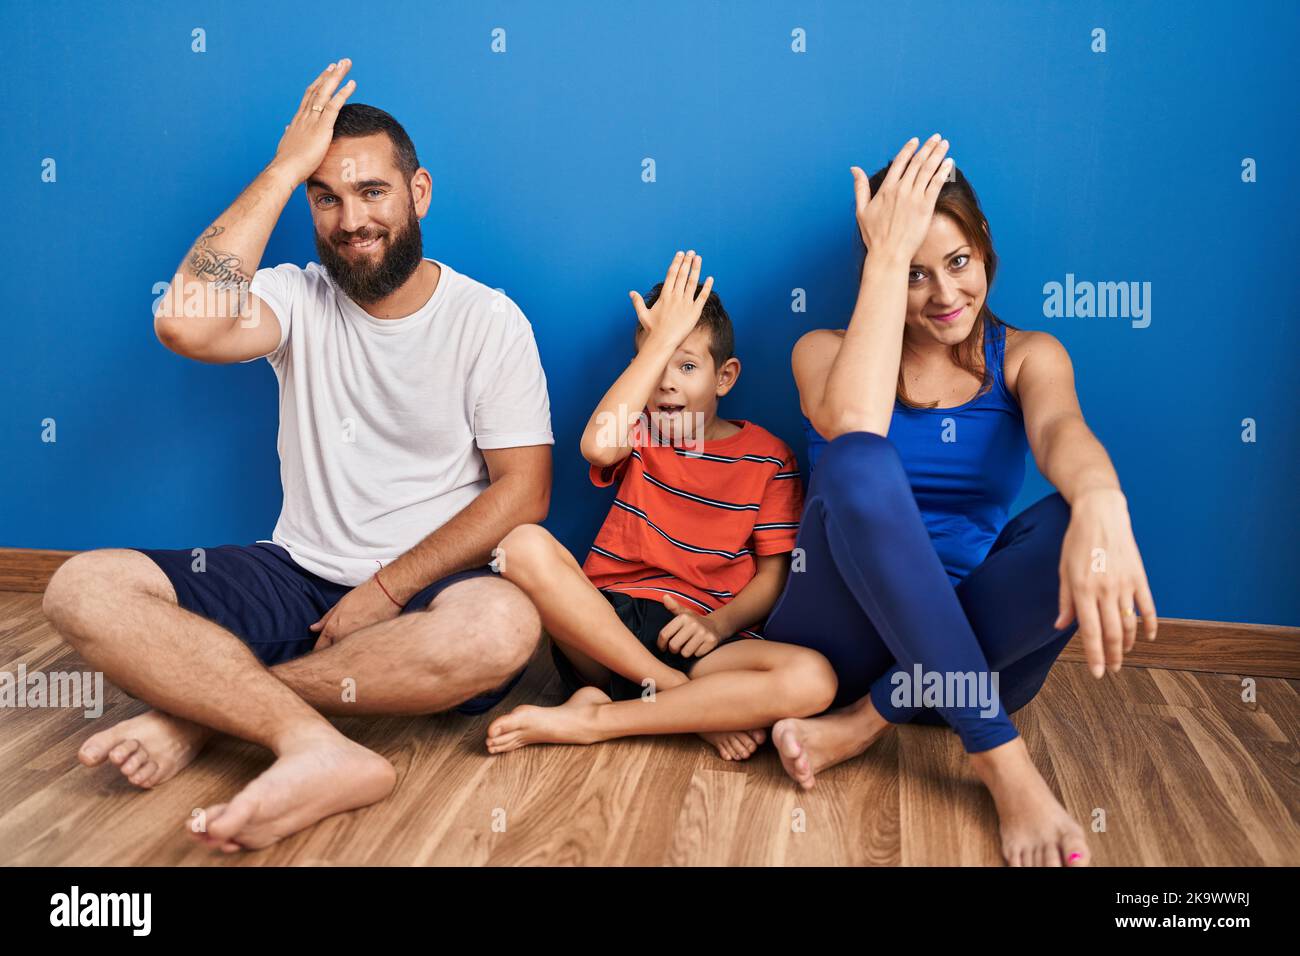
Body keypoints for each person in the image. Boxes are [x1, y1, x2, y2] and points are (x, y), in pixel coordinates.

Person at [40, 59, 553, 852]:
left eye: (372, 192)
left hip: (429, 592)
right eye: (327, 196)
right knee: (83, 586)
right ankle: (311, 741)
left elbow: (522, 495)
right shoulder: (294, 294)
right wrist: (283, 165)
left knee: (502, 625)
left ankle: (199, 717)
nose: (351, 220)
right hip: (296, 573)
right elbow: (185, 325)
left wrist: (386, 588)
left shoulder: (490, 321)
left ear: (418, 194)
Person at [764, 134, 1159, 867]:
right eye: (914, 274)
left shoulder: (1030, 355)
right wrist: (884, 256)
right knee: (858, 459)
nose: (946, 296)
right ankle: (1002, 763)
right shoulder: (820, 351)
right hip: (839, 639)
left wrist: (1103, 499)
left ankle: (865, 723)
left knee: (1083, 517)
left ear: (985, 250)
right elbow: (855, 425)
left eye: (957, 262)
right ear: (880, 270)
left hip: (983, 650)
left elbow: (1063, 432)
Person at [484, 251, 836, 760]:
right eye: (656, 365)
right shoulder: (639, 434)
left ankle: (599, 717)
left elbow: (775, 574)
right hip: (607, 631)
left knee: (814, 679)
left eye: (687, 365)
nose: (667, 382)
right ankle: (681, 702)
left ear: (725, 377)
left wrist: (717, 625)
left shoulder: (769, 457)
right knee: (520, 545)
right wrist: (660, 343)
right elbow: (597, 447)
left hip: (702, 639)